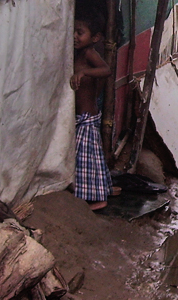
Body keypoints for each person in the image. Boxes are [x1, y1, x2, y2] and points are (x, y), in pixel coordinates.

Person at [72, 11, 113, 210]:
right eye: (73, 31)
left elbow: (106, 70)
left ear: (94, 38)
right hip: (81, 117)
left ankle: (98, 199)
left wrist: (84, 71)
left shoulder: (89, 54)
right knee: (88, 159)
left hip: (87, 118)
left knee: (87, 159)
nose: (75, 36)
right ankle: (98, 190)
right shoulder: (78, 54)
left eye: (80, 32)